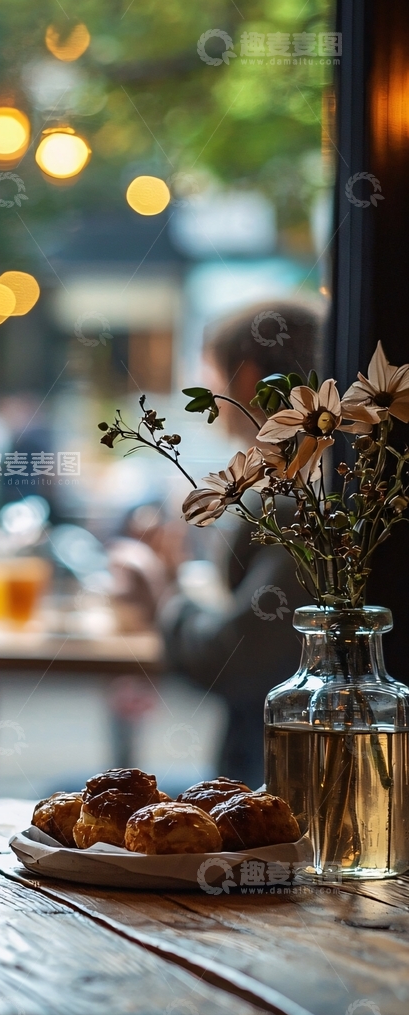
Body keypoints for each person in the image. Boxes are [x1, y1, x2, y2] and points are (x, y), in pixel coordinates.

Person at [160, 299, 323, 788]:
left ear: (248, 378)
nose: (207, 394)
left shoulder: (295, 500)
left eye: (211, 375)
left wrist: (166, 596)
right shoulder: (329, 480)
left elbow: (235, 660)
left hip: (274, 784)